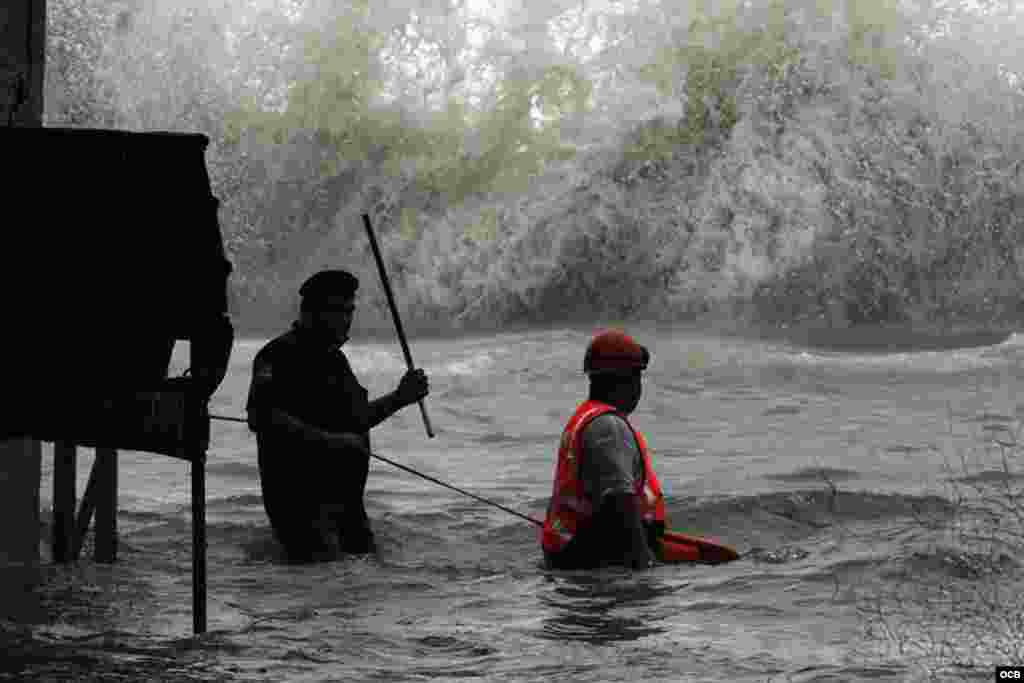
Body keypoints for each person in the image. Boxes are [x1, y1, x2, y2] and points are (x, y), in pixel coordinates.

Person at [246, 269, 429, 562]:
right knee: (323, 584)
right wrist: (331, 441)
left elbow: (355, 421)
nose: (347, 319)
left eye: (350, 311)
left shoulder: (335, 361)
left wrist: (400, 398)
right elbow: (263, 418)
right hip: (302, 510)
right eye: (338, 311)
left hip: (345, 509)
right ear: (312, 312)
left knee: (365, 585)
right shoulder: (278, 355)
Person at [540, 329, 665, 570]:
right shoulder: (609, 427)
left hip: (571, 555)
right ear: (626, 379)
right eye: (637, 376)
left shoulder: (585, 418)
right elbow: (620, 503)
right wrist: (644, 566)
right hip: (598, 561)